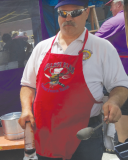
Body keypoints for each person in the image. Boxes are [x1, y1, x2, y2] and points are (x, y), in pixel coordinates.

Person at [19, 0, 128, 160]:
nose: (68, 18)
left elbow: (120, 85)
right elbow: (27, 85)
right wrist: (26, 110)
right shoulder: (41, 48)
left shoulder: (101, 47)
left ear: (86, 13)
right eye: (63, 13)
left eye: (75, 13)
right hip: (47, 134)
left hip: (84, 135)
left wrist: (114, 101)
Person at [95, 0, 128, 146]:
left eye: (112, 7)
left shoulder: (114, 22)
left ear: (120, 4)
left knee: (123, 137)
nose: (111, 10)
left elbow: (91, 45)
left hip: (123, 80)